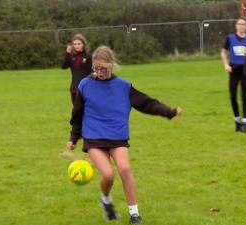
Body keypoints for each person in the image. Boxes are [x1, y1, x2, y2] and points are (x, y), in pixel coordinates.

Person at [66, 46, 182, 224]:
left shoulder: (123, 87)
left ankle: (134, 214)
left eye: (103, 69)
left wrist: (169, 112)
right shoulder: (85, 85)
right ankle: (105, 200)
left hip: (117, 136)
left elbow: (147, 103)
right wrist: (74, 137)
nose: (99, 72)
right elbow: (77, 113)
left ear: (112, 66)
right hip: (94, 136)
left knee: (125, 169)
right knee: (108, 175)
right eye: (96, 68)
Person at [221, 17, 246, 132]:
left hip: (245, 71)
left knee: (244, 96)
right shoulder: (230, 38)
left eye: (243, 24)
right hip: (233, 70)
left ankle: (245, 122)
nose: (241, 26)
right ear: (236, 26)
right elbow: (223, 52)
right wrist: (226, 65)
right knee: (233, 96)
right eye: (239, 24)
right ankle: (237, 121)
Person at [61, 33, 93, 104]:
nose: (77, 46)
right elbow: (63, 66)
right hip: (74, 88)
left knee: (85, 109)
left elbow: (91, 72)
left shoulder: (88, 56)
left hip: (85, 88)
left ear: (83, 44)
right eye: (75, 44)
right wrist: (67, 53)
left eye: (79, 44)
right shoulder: (71, 56)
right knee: (76, 110)